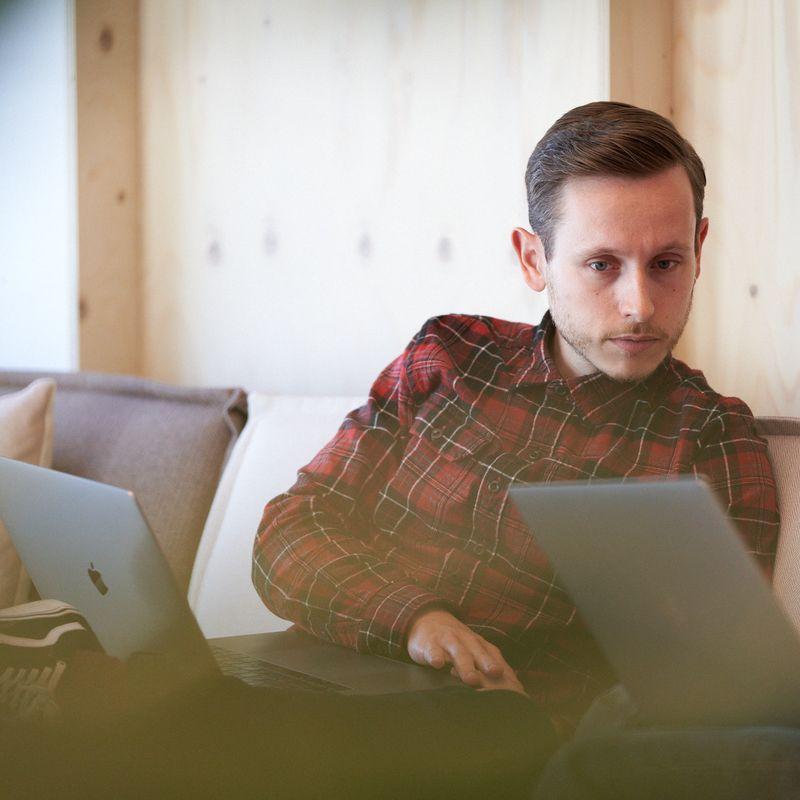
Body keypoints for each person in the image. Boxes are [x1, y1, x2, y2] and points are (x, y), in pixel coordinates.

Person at [252, 100, 779, 740]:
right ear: (533, 260)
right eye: (601, 265)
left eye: (666, 263)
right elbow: (288, 532)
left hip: (483, 740)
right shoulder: (449, 354)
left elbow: (716, 683)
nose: (639, 306)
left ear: (698, 247)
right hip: (300, 685)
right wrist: (419, 623)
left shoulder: (712, 438)